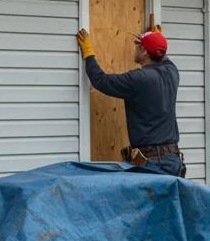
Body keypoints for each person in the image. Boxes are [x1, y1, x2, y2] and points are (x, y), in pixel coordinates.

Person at [75, 26, 183, 175]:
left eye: (138, 46)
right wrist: (156, 39)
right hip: (173, 159)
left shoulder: (138, 79)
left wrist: (88, 52)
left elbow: (101, 81)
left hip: (153, 164)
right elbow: (163, 56)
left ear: (144, 52)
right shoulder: (172, 72)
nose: (135, 49)